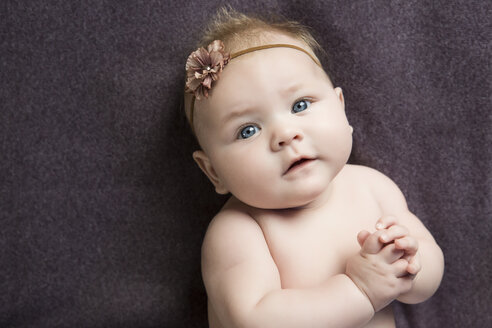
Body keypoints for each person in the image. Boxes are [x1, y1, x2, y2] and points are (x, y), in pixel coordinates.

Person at [183, 8, 444, 328]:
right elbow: (254, 317)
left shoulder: (373, 187)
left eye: (300, 105)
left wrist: (408, 266)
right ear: (213, 172)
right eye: (248, 130)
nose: (285, 135)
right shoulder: (239, 231)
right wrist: (359, 290)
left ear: (341, 109)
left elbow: (427, 271)